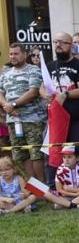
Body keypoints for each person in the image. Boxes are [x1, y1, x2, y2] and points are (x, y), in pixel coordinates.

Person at [40, 32, 79, 188]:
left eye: (62, 42)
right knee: (54, 149)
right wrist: (45, 95)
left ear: (71, 45)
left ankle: (78, 183)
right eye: (55, 42)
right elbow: (42, 87)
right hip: (55, 117)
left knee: (74, 150)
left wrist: (66, 94)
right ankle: (54, 185)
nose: (58, 45)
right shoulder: (50, 65)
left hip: (75, 116)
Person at [0, 43, 45, 182]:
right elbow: (0, 93)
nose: (13, 56)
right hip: (13, 121)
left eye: (16, 53)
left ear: (24, 55)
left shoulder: (33, 70)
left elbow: (33, 92)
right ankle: (32, 187)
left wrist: (13, 104)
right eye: (11, 54)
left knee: (36, 154)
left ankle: (43, 188)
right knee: (20, 155)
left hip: (32, 119)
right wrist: (6, 106)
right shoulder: (5, 73)